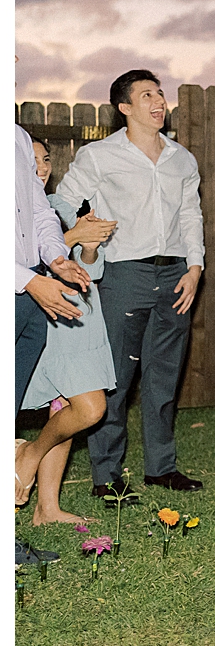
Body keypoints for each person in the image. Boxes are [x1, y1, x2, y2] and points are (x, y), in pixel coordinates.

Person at [54, 69, 206, 498]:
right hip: (124, 273)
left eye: (160, 94)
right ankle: (107, 476)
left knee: (164, 376)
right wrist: (83, 230)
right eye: (147, 95)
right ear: (125, 108)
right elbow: (63, 199)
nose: (159, 102)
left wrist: (195, 268)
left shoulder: (182, 159)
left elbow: (191, 217)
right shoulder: (100, 156)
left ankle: (161, 468)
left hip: (176, 274)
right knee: (117, 378)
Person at [15, 138, 118, 526]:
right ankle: (29, 454)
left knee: (64, 410)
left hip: (79, 320)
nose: (40, 168)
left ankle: (47, 507)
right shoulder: (18, 211)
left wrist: (88, 247)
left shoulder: (59, 207)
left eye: (45, 161)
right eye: (33, 161)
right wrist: (71, 239)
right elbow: (29, 271)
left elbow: (90, 271)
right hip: (47, 322)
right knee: (88, 408)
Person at [14, 124, 94, 563]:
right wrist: (29, 280)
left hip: (29, 298)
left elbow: (40, 213)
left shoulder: (19, 138)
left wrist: (55, 258)